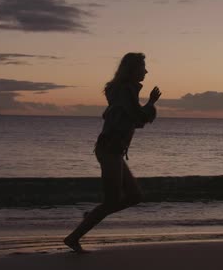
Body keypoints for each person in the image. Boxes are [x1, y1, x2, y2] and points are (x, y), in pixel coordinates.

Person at [64, 52, 162, 253]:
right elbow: (139, 117)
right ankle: (74, 237)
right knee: (112, 201)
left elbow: (133, 119)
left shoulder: (123, 90)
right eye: (143, 67)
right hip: (110, 149)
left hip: (113, 150)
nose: (146, 71)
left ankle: (93, 215)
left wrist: (146, 107)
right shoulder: (126, 90)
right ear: (133, 69)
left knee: (134, 196)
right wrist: (151, 103)